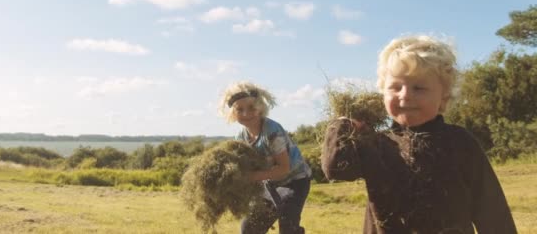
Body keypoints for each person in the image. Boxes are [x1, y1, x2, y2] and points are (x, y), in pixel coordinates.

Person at [321, 35, 517, 234]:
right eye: (395, 87)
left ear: (444, 96)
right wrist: (342, 126)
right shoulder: (376, 143)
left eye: (419, 88)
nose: (405, 95)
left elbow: (492, 212)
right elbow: (335, 169)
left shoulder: (460, 143)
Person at [219, 81, 312, 234]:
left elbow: (284, 168)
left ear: (260, 107)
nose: (246, 114)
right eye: (239, 109)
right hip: (271, 184)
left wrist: (251, 177)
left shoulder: (272, 131)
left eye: (251, 107)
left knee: (288, 226)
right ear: (233, 113)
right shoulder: (240, 137)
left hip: (295, 180)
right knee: (249, 227)